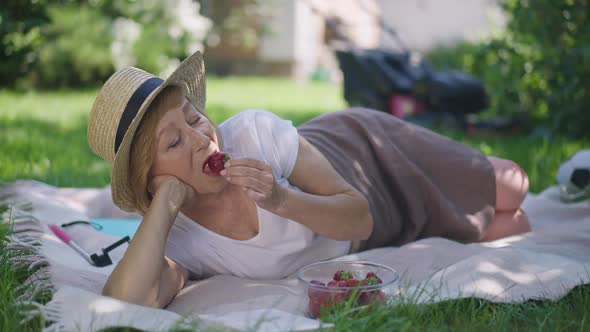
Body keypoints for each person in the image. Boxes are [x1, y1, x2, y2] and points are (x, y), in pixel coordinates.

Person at [87, 51, 531, 308]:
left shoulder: (253, 133)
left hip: (363, 154)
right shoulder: (179, 242)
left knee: (513, 186)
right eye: (173, 144)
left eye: (194, 118)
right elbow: (125, 303)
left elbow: (358, 214)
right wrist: (164, 206)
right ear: (151, 180)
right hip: (375, 236)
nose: (201, 139)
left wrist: (281, 199)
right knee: (508, 227)